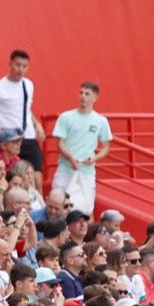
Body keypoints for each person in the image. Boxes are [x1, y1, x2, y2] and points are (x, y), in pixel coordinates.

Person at [50, 81, 110, 215]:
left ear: (94, 98)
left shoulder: (101, 121)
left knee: (86, 210)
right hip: (65, 169)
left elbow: (106, 147)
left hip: (86, 171)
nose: (83, 96)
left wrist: (94, 158)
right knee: (56, 207)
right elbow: (60, 143)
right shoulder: (66, 117)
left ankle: (87, 236)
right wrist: (71, 158)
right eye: (81, 93)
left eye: (87, 94)